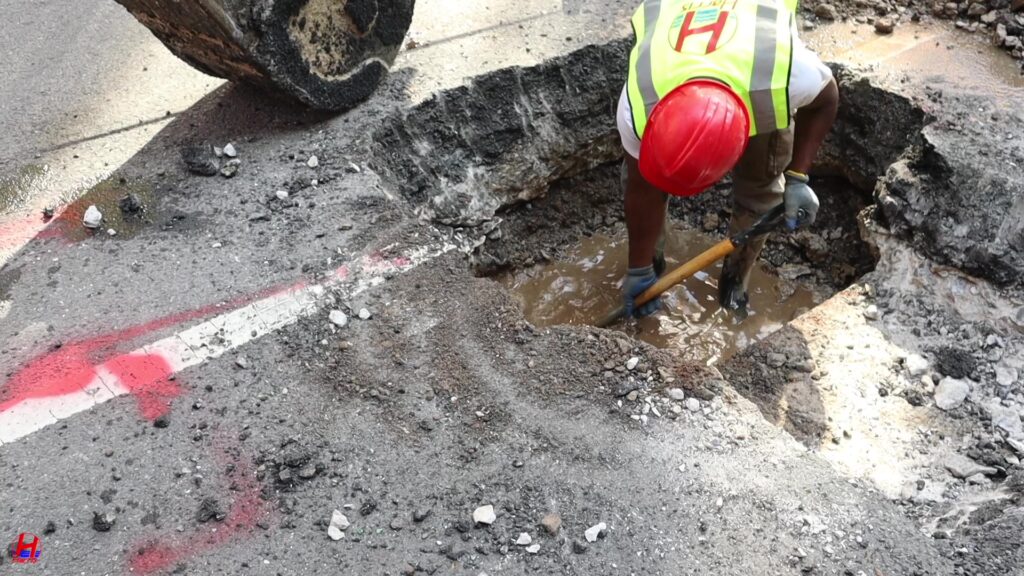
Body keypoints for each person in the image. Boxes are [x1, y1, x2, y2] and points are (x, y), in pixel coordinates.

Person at [619, 0, 839, 318]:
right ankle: (651, 266)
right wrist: (638, 268)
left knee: (761, 184)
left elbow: (826, 100)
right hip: (685, 57)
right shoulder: (638, 103)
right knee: (643, 180)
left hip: (752, 63)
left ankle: (734, 285)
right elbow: (642, 188)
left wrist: (798, 176)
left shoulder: (787, 77)